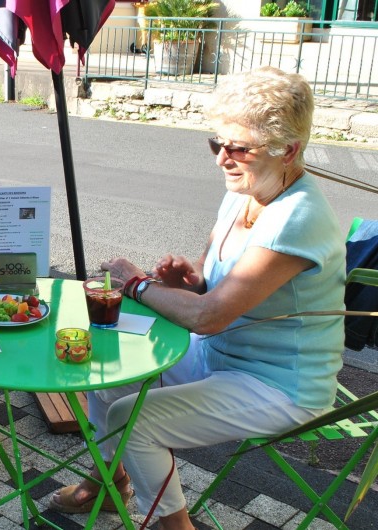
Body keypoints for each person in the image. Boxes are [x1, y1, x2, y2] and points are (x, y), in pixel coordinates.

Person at [48, 66, 346, 530]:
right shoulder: (245, 191)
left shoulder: (297, 216)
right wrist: (188, 281)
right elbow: (210, 284)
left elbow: (210, 316)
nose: (221, 159)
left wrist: (138, 284)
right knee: (110, 370)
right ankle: (110, 483)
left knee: (134, 419)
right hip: (220, 356)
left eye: (238, 148)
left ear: (288, 150)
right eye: (216, 143)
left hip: (280, 386)